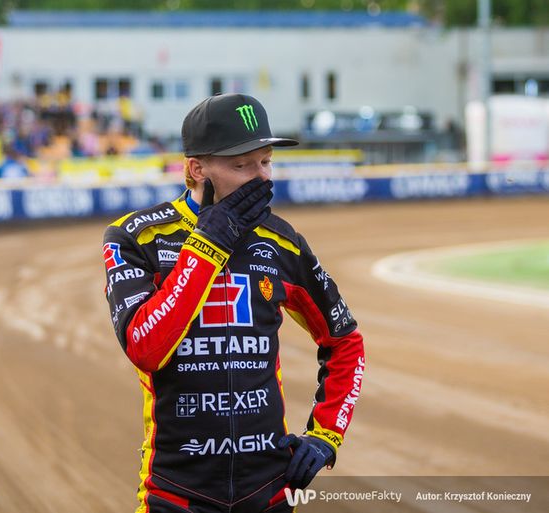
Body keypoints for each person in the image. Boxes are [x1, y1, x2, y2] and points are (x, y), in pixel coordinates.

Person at [102, 93, 365, 513]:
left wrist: (326, 433)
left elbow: (345, 341)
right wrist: (208, 244)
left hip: (270, 490)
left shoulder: (283, 241)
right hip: (175, 492)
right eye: (242, 165)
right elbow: (145, 348)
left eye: (266, 162)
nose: (261, 178)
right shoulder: (136, 237)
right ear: (197, 170)